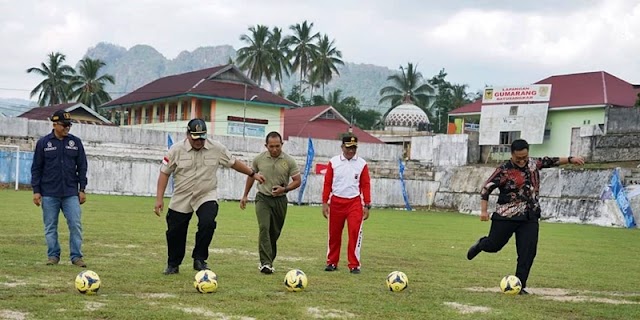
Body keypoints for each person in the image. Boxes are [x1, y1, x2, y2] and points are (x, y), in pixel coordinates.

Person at [466, 139, 585, 294]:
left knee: (528, 252)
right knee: (494, 245)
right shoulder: (504, 169)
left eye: (524, 157)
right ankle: (482, 244)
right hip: (506, 215)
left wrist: (570, 159)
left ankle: (520, 285)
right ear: (512, 155)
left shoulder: (533, 164)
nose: (522, 161)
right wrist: (483, 211)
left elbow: (552, 160)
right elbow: (486, 189)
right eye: (518, 158)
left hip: (530, 215)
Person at [154, 118, 265, 275]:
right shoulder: (175, 150)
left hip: (206, 194)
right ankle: (173, 263)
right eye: (195, 137)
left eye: (202, 136)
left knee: (207, 223)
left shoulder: (216, 148)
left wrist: (253, 174)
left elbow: (233, 163)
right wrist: (159, 199)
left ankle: (199, 259)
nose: (199, 141)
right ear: (187, 134)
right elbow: (164, 173)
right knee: (175, 231)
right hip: (182, 195)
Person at [31, 109, 88, 267]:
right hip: (49, 193)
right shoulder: (44, 143)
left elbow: (82, 166)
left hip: (70, 193)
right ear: (55, 124)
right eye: (64, 125)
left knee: (75, 224)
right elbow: (36, 168)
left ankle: (76, 257)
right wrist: (36, 191)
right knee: (50, 227)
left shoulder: (75, 143)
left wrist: (82, 188)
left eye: (69, 125)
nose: (67, 128)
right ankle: (53, 256)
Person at [240, 131, 301, 274]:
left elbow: (297, 181)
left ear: (282, 145)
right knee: (264, 227)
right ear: (266, 145)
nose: (274, 149)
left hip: (280, 201)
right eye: (271, 146)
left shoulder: (289, 161)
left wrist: (284, 189)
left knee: (274, 232)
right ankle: (265, 263)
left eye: (277, 146)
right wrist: (245, 195)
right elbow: (251, 175)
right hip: (263, 198)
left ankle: (269, 259)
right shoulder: (259, 159)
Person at [322, 135, 371, 274]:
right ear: (342, 147)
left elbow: (366, 185)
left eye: (354, 148)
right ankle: (332, 262)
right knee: (334, 234)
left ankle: (354, 264)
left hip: (354, 203)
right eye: (348, 148)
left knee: (354, 232)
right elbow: (327, 183)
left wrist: (367, 205)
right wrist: (325, 202)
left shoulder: (362, 164)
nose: (350, 151)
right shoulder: (334, 162)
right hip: (336, 202)